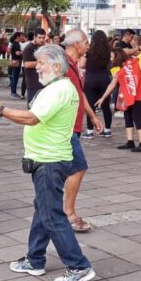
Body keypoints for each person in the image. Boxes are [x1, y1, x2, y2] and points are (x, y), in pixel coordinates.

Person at [0, 44, 96, 281]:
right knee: (43, 209)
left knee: (52, 215)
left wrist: (0, 110)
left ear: (57, 66)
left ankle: (78, 265)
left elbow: (32, 118)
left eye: (42, 63)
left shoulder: (59, 89)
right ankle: (35, 259)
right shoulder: (57, 87)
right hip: (46, 158)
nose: (38, 68)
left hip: (50, 160)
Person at [61, 29, 103, 233]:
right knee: (78, 167)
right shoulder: (63, 67)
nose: (88, 46)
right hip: (66, 128)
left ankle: (64, 212)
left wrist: (92, 116)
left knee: (70, 169)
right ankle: (68, 213)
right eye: (86, 42)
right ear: (77, 44)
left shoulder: (73, 66)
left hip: (74, 126)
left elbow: (80, 94)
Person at [96, 47, 141, 152]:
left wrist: (103, 98)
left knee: (136, 117)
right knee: (127, 115)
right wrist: (103, 98)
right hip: (132, 95)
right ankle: (130, 142)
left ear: (117, 57)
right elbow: (113, 84)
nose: (111, 59)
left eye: (112, 57)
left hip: (140, 95)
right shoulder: (130, 64)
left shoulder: (129, 66)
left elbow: (112, 84)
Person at [82, 30, 114, 138]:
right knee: (106, 106)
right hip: (104, 79)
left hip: (90, 80)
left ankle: (90, 131)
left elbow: (82, 64)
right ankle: (107, 130)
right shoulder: (108, 52)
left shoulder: (89, 51)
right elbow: (111, 64)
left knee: (90, 106)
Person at [22, 28, 48, 104]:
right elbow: (27, 64)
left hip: (43, 83)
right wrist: (42, 62)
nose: (42, 40)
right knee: (33, 108)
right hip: (33, 83)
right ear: (35, 37)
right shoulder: (29, 48)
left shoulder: (43, 47)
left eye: (43, 38)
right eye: (39, 38)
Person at [8, 32, 24, 98]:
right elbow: (17, 53)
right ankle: (13, 92)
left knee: (15, 77)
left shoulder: (14, 43)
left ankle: (13, 91)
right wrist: (23, 52)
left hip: (15, 61)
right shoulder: (16, 44)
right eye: (21, 36)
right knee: (15, 77)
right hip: (16, 62)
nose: (22, 37)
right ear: (17, 37)